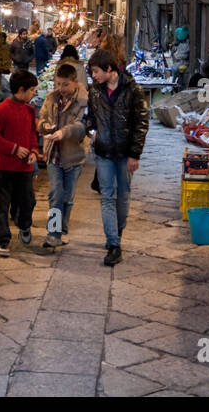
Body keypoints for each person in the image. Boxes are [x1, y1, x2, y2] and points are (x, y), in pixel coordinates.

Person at [83, 48, 149, 267]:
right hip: (103, 152)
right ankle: (113, 244)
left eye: (95, 71)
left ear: (109, 69)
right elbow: (89, 118)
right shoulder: (94, 91)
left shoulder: (133, 90)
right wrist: (92, 133)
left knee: (123, 196)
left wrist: (135, 154)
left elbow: (141, 124)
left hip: (124, 153)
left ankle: (117, 231)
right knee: (107, 197)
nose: (93, 75)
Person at [0, 69, 39, 256]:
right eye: (32, 90)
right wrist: (14, 149)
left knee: (27, 201)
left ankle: (24, 225)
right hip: (3, 166)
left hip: (24, 167)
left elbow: (33, 134)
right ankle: (2, 240)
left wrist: (33, 151)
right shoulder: (1, 110)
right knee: (1, 206)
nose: (34, 94)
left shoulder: (29, 111)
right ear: (21, 90)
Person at [37, 62, 88, 248]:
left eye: (65, 84)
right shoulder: (51, 98)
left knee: (68, 197)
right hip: (53, 155)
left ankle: (62, 229)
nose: (61, 88)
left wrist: (63, 132)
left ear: (75, 82)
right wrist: (44, 126)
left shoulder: (83, 100)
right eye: (58, 84)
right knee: (55, 194)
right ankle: (53, 233)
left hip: (73, 155)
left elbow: (82, 127)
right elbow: (41, 119)